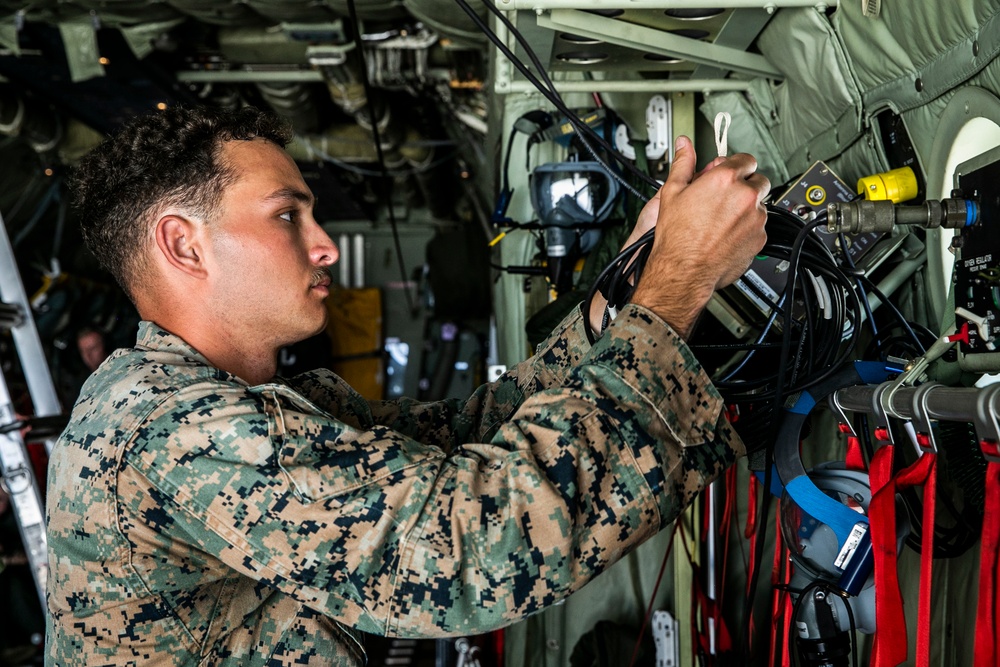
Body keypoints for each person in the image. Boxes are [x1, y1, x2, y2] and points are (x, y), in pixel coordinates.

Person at [44, 105, 768, 666]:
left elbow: (464, 435)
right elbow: (473, 548)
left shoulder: (192, 399)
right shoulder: (176, 430)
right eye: (288, 215)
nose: (325, 244)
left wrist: (630, 291)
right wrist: (682, 282)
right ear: (183, 244)